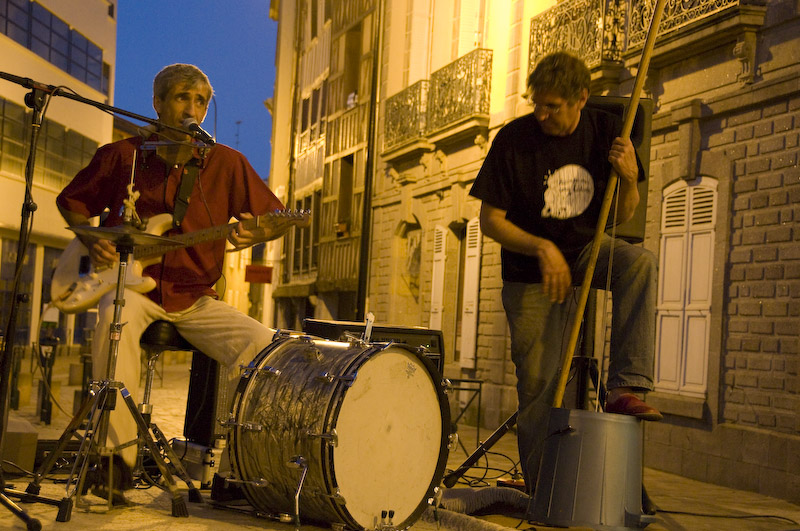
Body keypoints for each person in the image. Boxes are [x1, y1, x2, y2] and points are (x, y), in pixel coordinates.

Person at [56, 64, 294, 481]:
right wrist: (93, 243)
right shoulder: (123, 156)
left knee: (262, 347)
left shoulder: (227, 163)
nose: (193, 108)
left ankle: (241, 468)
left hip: (195, 297)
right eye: (183, 97)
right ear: (158, 103)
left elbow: (274, 216)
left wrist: (260, 233)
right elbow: (71, 201)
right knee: (115, 320)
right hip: (134, 291)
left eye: (201, 101)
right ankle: (115, 462)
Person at [469, 52, 662, 495]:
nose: (541, 114)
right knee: (539, 384)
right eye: (536, 103)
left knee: (639, 263)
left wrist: (629, 177)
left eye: (552, 106)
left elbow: (620, 216)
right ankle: (542, 491)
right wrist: (542, 248)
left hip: (585, 249)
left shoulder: (607, 131)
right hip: (529, 270)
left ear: (581, 99)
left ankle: (625, 387)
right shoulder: (513, 139)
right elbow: (491, 221)